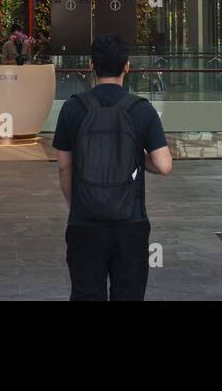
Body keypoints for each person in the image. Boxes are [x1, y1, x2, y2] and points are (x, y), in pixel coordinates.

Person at [53, 34, 171, 301]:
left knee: (86, 293)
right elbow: (164, 165)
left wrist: (75, 206)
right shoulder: (142, 109)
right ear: (127, 66)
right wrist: (132, 155)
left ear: (91, 67)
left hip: (84, 223)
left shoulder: (72, 108)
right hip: (131, 223)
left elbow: (64, 168)